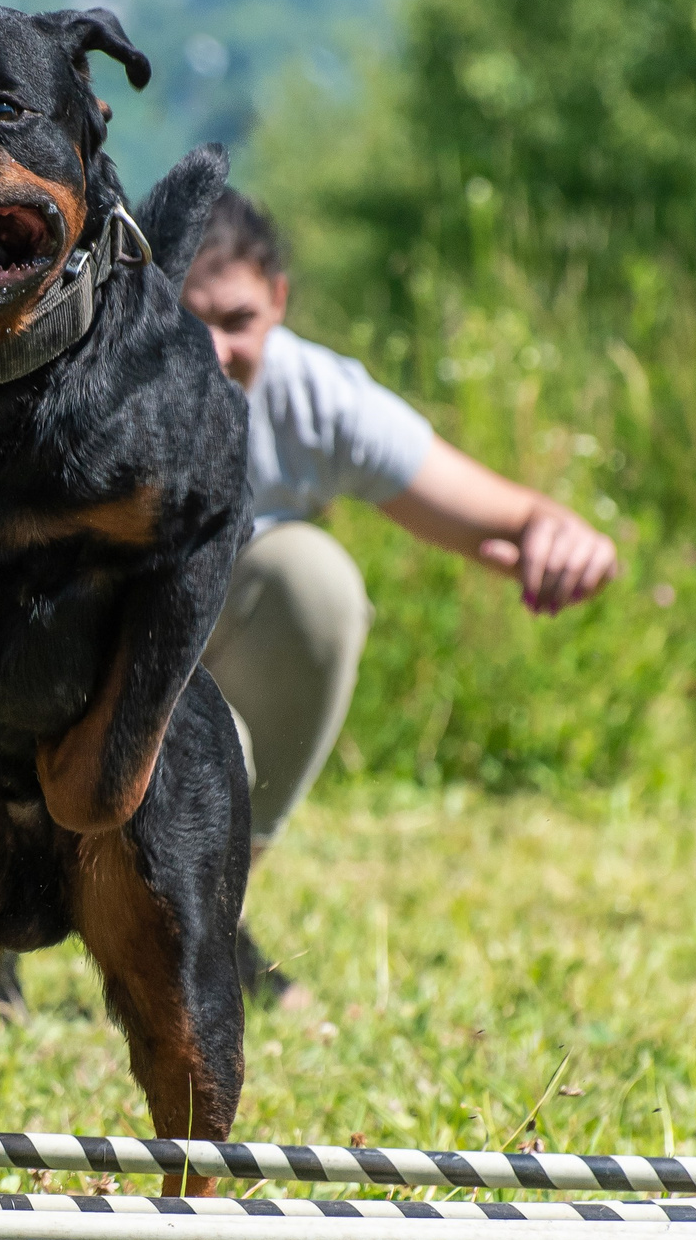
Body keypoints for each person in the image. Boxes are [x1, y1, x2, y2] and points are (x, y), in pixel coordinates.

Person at [183, 189, 618, 999]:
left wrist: (558, 535)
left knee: (315, 581)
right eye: (185, 318)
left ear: (279, 300)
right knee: (204, 750)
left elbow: (492, 515)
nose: (212, 352)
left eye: (236, 318)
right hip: (84, 657)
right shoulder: (97, 381)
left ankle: (201, 917)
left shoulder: (315, 395)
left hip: (206, 644)